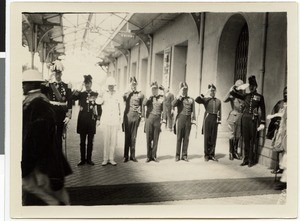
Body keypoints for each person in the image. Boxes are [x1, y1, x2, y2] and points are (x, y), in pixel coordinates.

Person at [22, 69, 72, 205]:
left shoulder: (38, 104)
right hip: (42, 159)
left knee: (48, 191)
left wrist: (28, 162)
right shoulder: (35, 102)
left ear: (32, 85)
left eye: (25, 83)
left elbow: (37, 137)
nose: (22, 86)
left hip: (42, 161)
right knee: (44, 190)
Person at [230, 75, 266, 167]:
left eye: (253, 85)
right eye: (250, 86)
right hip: (245, 119)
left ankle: (251, 160)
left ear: (256, 86)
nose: (251, 87)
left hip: (253, 120)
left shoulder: (260, 97)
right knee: (245, 140)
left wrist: (262, 122)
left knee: (252, 140)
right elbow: (234, 94)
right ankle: (245, 159)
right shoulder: (245, 95)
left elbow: (263, 109)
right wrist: (237, 88)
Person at [42, 60, 72, 152]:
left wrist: (68, 115)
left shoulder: (67, 86)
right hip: (51, 112)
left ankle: (58, 157)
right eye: (56, 73)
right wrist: (47, 78)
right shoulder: (50, 85)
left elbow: (69, 101)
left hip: (61, 113)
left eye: (59, 73)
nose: (57, 75)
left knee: (59, 135)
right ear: (54, 74)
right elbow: (42, 90)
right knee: (50, 134)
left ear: (61, 74)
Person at [72, 75, 102, 166]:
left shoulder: (95, 94)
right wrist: (79, 88)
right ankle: (82, 159)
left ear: (91, 84)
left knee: (90, 141)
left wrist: (98, 118)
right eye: (86, 83)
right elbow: (72, 98)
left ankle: (89, 159)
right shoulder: (81, 94)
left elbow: (99, 107)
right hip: (82, 120)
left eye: (88, 83)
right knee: (82, 141)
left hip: (91, 120)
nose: (87, 85)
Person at [195, 84, 222, 162]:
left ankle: (212, 154)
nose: (212, 92)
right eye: (211, 91)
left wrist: (219, 120)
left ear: (215, 91)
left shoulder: (218, 101)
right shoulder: (206, 99)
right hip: (208, 118)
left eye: (213, 91)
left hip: (215, 119)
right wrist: (204, 93)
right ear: (209, 91)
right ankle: (206, 155)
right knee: (207, 137)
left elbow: (220, 111)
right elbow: (197, 100)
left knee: (213, 137)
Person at [100, 77, 121, 166]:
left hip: (115, 120)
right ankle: (105, 159)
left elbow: (120, 107)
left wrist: (120, 118)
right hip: (106, 120)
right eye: (109, 86)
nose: (111, 87)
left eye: (112, 85)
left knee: (113, 140)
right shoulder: (104, 94)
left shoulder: (118, 94)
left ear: (114, 86)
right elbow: (98, 102)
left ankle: (111, 158)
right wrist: (100, 95)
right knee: (106, 141)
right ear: (107, 86)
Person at [122, 77, 145, 162]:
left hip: (136, 117)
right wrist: (128, 91)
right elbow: (123, 98)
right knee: (127, 136)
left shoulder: (140, 94)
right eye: (132, 84)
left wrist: (142, 116)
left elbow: (142, 105)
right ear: (130, 84)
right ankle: (125, 156)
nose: (133, 85)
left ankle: (132, 155)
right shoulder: (127, 93)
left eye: (135, 84)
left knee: (134, 137)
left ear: (137, 84)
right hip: (128, 116)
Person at [172, 82, 196, 162]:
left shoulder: (191, 99)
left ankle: (184, 155)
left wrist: (193, 120)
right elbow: (173, 104)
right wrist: (179, 96)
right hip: (180, 119)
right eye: (183, 89)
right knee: (179, 138)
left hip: (188, 120)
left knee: (186, 138)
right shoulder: (179, 98)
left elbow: (193, 111)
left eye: (186, 89)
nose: (184, 91)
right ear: (180, 90)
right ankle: (177, 155)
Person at [143, 82, 166, 163]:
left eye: (156, 89)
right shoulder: (149, 97)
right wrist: (148, 97)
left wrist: (163, 119)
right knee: (148, 138)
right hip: (149, 118)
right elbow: (144, 104)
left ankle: (154, 156)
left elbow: (164, 108)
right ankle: (148, 156)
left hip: (157, 119)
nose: (154, 90)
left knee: (156, 138)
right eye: (153, 89)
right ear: (151, 89)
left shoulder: (161, 97)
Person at [267, 87, 287, 174]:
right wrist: (275, 121)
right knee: (278, 147)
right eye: (285, 92)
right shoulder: (280, 103)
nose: (286, 94)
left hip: (288, 129)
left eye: (287, 92)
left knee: (285, 149)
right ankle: (278, 167)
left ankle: (284, 168)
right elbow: (274, 113)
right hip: (280, 128)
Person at [223, 79, 245, 160]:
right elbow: (224, 100)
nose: (240, 89)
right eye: (238, 87)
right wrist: (230, 91)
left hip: (240, 117)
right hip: (233, 116)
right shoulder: (232, 95)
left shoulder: (243, 96)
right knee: (232, 135)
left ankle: (235, 152)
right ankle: (231, 152)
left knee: (238, 135)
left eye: (241, 87)